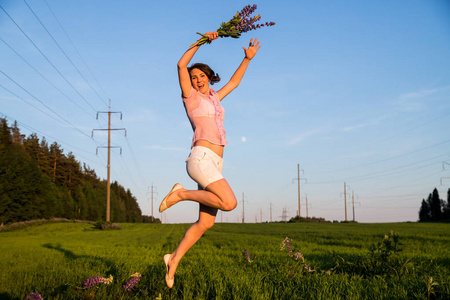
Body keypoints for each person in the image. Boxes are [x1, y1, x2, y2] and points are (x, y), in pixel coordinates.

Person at [159, 31, 260, 288]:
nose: (198, 79)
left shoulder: (214, 98)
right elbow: (181, 64)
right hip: (201, 158)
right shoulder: (190, 97)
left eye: (201, 76)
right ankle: (180, 194)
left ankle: (173, 260)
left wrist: (247, 59)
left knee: (205, 222)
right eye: (194, 78)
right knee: (229, 202)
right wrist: (203, 41)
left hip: (215, 162)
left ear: (208, 77)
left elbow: (234, 83)